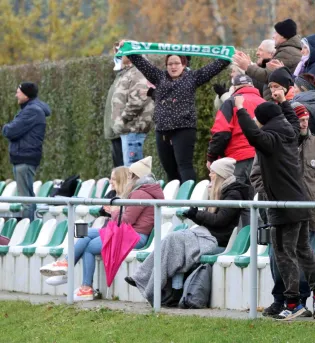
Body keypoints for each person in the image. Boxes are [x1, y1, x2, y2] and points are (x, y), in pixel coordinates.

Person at [236, 89, 315, 320]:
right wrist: (285, 102)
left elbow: (252, 135)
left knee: (283, 253)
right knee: (304, 250)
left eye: (258, 119)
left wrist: (240, 110)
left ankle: (292, 302)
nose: (256, 122)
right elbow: (290, 118)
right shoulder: (289, 130)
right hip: (301, 201)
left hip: (282, 205)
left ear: (263, 120)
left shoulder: (270, 140)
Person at [126, 157, 249, 305]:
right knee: (172, 239)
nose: (210, 175)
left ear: (221, 174)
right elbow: (211, 219)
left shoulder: (233, 194)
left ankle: (150, 283)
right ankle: (155, 284)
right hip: (206, 234)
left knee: (175, 242)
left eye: (212, 172)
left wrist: (196, 214)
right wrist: (194, 215)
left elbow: (220, 220)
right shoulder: (220, 191)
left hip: (216, 239)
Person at [40, 156, 164, 301]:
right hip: (126, 232)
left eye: (130, 175)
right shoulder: (137, 191)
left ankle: (83, 285)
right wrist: (114, 211)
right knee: (83, 232)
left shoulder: (140, 193)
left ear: (135, 176)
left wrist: (113, 211)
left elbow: (126, 220)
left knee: (89, 246)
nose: (110, 182)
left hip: (134, 235)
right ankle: (67, 265)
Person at [262, 103, 315, 318]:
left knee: (303, 255)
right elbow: (257, 175)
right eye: (299, 119)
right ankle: (283, 300)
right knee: (281, 256)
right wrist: (272, 196)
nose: (303, 123)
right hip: (283, 211)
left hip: (310, 212)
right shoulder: (277, 141)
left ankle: (300, 302)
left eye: (305, 119)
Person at [122, 40, 230, 183]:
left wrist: (227, 53)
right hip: (162, 130)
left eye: (176, 63)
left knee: (184, 166)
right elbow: (140, 61)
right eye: (170, 64)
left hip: (183, 129)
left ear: (184, 64)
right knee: (169, 169)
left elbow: (217, 65)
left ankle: (191, 203)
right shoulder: (158, 77)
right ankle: (174, 202)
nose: (173, 67)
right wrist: (127, 47)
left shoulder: (193, 77)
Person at [207, 74, 264, 195]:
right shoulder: (264, 103)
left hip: (237, 160)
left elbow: (221, 133)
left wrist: (211, 157)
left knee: (235, 201)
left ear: (234, 87)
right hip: (260, 158)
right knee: (256, 202)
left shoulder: (230, 102)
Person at [2, 82, 51, 221]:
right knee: (26, 196)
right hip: (23, 158)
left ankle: (27, 228)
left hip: (25, 158)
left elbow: (10, 131)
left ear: (26, 95)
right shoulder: (30, 109)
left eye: (18, 92)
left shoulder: (32, 111)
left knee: (26, 199)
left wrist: (6, 127)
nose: (16, 94)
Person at [233, 19, 302, 101]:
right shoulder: (288, 50)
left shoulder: (287, 52)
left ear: (283, 35)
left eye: (276, 33)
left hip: (278, 101)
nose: (273, 36)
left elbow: (268, 76)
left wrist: (248, 67)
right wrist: (249, 65)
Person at [111, 54, 154, 167]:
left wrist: (122, 120)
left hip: (133, 129)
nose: (119, 55)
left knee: (134, 172)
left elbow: (138, 101)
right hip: (129, 130)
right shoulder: (130, 71)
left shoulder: (139, 71)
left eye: (122, 52)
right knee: (130, 172)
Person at [105, 42, 125, 168]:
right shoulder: (119, 76)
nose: (117, 56)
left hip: (122, 131)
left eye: (120, 53)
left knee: (125, 171)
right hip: (115, 132)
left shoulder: (130, 76)